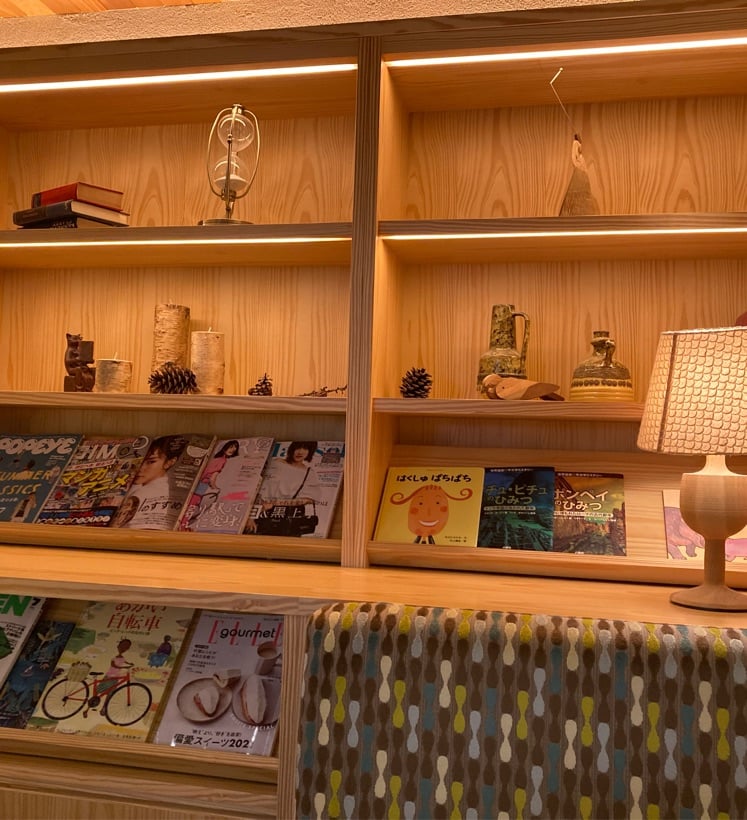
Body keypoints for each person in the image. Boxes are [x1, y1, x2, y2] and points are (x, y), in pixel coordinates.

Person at [113, 435, 187, 530]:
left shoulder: (146, 492)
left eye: (151, 462)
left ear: (170, 462)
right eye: (140, 461)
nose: (140, 468)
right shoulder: (142, 487)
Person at [179, 439, 239, 530]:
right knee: (193, 505)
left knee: (190, 504)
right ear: (225, 448)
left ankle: (182, 524)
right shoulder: (222, 460)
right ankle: (183, 525)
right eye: (231, 447)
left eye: (234, 449)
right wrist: (215, 488)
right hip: (203, 484)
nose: (232, 450)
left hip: (196, 482)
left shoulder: (215, 459)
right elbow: (212, 478)